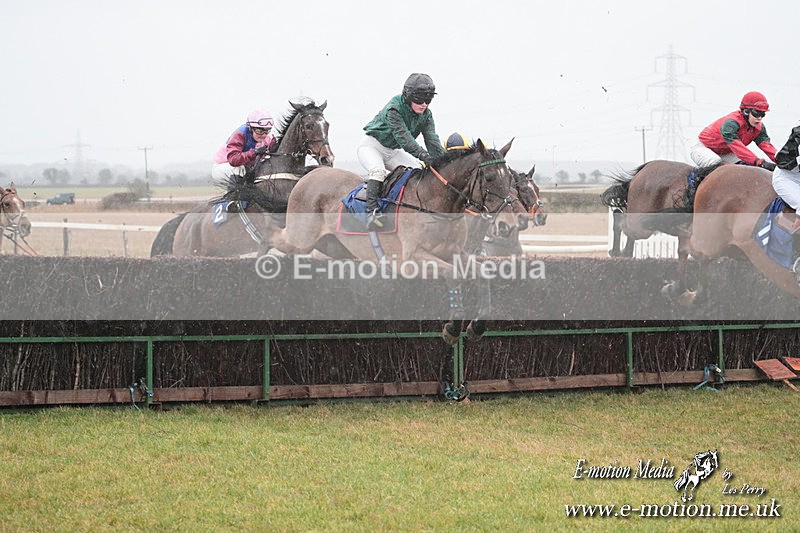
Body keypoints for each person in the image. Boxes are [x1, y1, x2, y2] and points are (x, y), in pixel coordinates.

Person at [357, 73, 445, 230]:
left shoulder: (427, 115)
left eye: (428, 99)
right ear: (409, 96)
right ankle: (371, 213)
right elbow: (405, 139)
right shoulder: (395, 108)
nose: (424, 104)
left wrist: (443, 163)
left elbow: (432, 140)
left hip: (392, 151)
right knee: (378, 172)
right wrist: (424, 155)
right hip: (371, 146)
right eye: (420, 99)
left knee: (419, 170)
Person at [690, 91, 777, 170]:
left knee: (747, 168)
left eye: (762, 114)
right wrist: (759, 162)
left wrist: (782, 161)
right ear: (746, 111)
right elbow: (737, 147)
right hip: (703, 148)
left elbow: (767, 147)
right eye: (756, 113)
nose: (759, 118)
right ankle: (693, 182)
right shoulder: (731, 123)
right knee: (715, 162)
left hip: (726, 152)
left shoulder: (759, 128)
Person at [212, 108, 277, 184]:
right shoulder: (240, 135)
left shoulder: (269, 138)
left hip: (244, 167)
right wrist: (255, 152)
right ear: (250, 128)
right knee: (241, 169)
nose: (264, 135)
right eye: (260, 131)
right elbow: (234, 160)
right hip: (223, 167)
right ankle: (235, 195)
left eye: (267, 130)